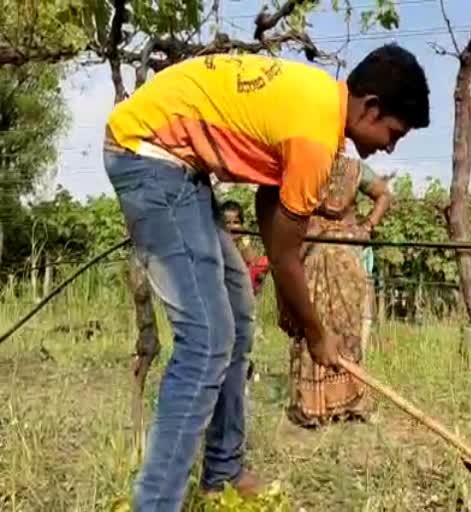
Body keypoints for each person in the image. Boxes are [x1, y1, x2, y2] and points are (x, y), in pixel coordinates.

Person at [102, 44, 429, 511]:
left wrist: (291, 307)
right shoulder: (316, 136)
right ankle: (154, 504)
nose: (390, 146)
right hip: (149, 155)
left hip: (180, 165)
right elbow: (289, 253)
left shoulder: (318, 104)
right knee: (207, 340)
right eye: (392, 132)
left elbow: (270, 209)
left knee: (236, 311)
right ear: (370, 107)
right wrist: (317, 334)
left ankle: (222, 470)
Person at [283, 155, 392, 427]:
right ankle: (312, 406)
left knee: (346, 329)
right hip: (309, 254)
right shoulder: (303, 162)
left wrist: (366, 227)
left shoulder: (353, 168)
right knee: (312, 325)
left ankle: (348, 402)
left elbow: (384, 196)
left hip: (345, 257)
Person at [220, 200, 270, 382]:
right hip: (222, 302)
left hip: (241, 302)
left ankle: (242, 369)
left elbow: (253, 262)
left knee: (241, 338)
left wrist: (243, 239)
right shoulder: (218, 246)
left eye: (236, 222)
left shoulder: (243, 247)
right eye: (227, 223)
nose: (233, 227)